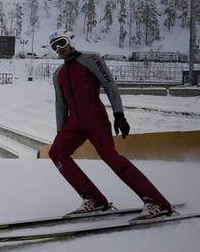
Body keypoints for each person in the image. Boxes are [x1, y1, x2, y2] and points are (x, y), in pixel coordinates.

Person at [47, 30, 172, 220]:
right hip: (74, 123)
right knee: (56, 152)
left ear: (70, 41)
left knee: (110, 156)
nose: (59, 48)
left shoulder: (91, 59)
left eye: (62, 42)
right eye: (54, 46)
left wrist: (119, 114)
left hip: (95, 117)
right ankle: (93, 199)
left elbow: (110, 86)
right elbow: (60, 104)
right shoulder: (58, 74)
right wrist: (60, 132)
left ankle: (157, 201)